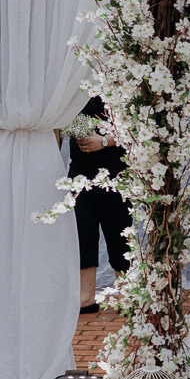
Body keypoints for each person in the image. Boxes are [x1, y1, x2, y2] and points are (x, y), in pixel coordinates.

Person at [68, 96, 131, 314]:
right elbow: (64, 113)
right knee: (82, 229)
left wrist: (104, 141)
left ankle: (126, 292)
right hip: (80, 167)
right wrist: (82, 135)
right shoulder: (73, 83)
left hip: (114, 167)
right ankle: (86, 296)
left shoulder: (121, 82)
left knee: (118, 228)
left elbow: (139, 125)